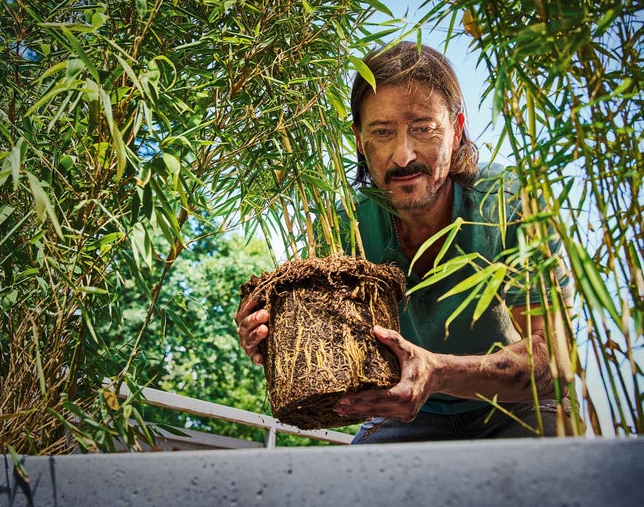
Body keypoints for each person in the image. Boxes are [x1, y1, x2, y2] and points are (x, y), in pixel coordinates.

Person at [234, 41, 576, 442]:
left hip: (516, 404)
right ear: (359, 141)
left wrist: (438, 371)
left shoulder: (511, 204)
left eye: (423, 128)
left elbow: (557, 362)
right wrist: (271, 336)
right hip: (404, 412)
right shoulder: (345, 225)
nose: (403, 155)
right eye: (382, 132)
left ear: (456, 130)